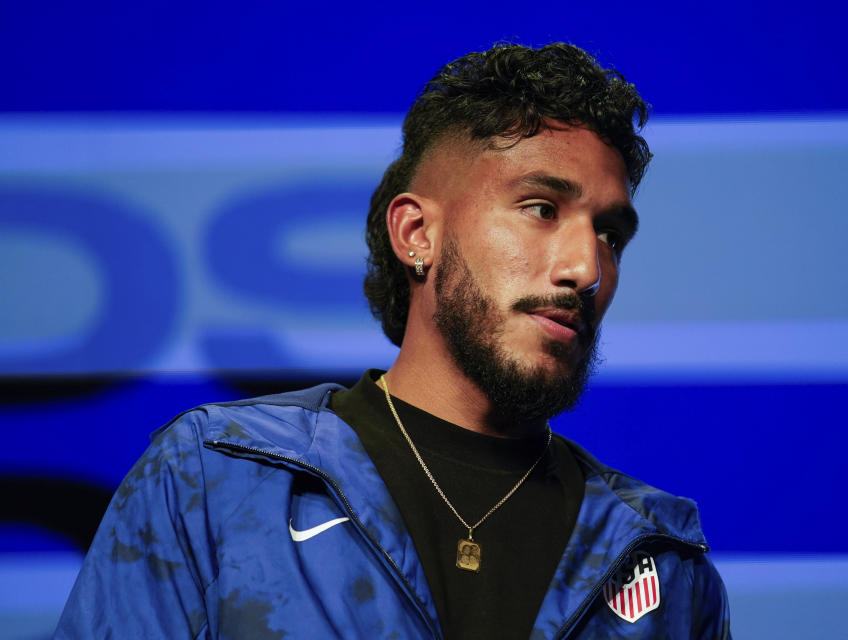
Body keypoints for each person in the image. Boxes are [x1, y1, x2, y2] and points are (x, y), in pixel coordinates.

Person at [56, 43, 730, 639]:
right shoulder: (214, 479)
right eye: (541, 209)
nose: (586, 268)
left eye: (610, 234)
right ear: (417, 235)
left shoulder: (664, 566)